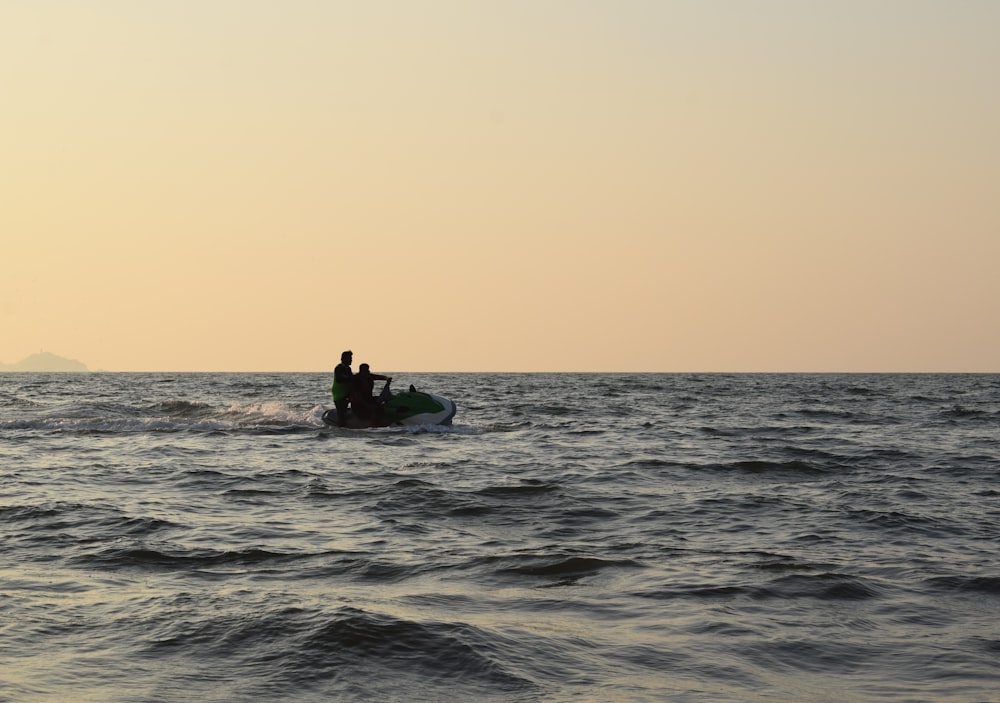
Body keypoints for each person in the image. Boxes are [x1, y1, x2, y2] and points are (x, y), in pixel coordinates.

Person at [330, 350, 354, 427]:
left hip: (346, 393)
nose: (351, 360)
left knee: (346, 409)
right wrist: (351, 379)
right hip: (338, 393)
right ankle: (341, 426)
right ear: (343, 359)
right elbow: (339, 379)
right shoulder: (339, 368)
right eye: (349, 358)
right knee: (341, 412)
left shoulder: (348, 368)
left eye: (351, 358)